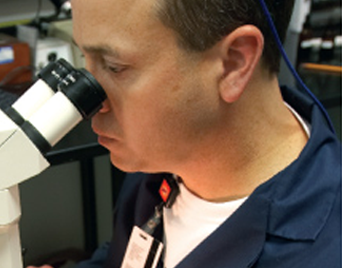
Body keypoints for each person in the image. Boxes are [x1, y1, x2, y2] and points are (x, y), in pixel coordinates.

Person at [32, 0, 341, 267]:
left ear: (233, 63)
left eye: (114, 67)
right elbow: (128, 255)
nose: (86, 104)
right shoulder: (169, 151)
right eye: (85, 61)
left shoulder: (319, 254)